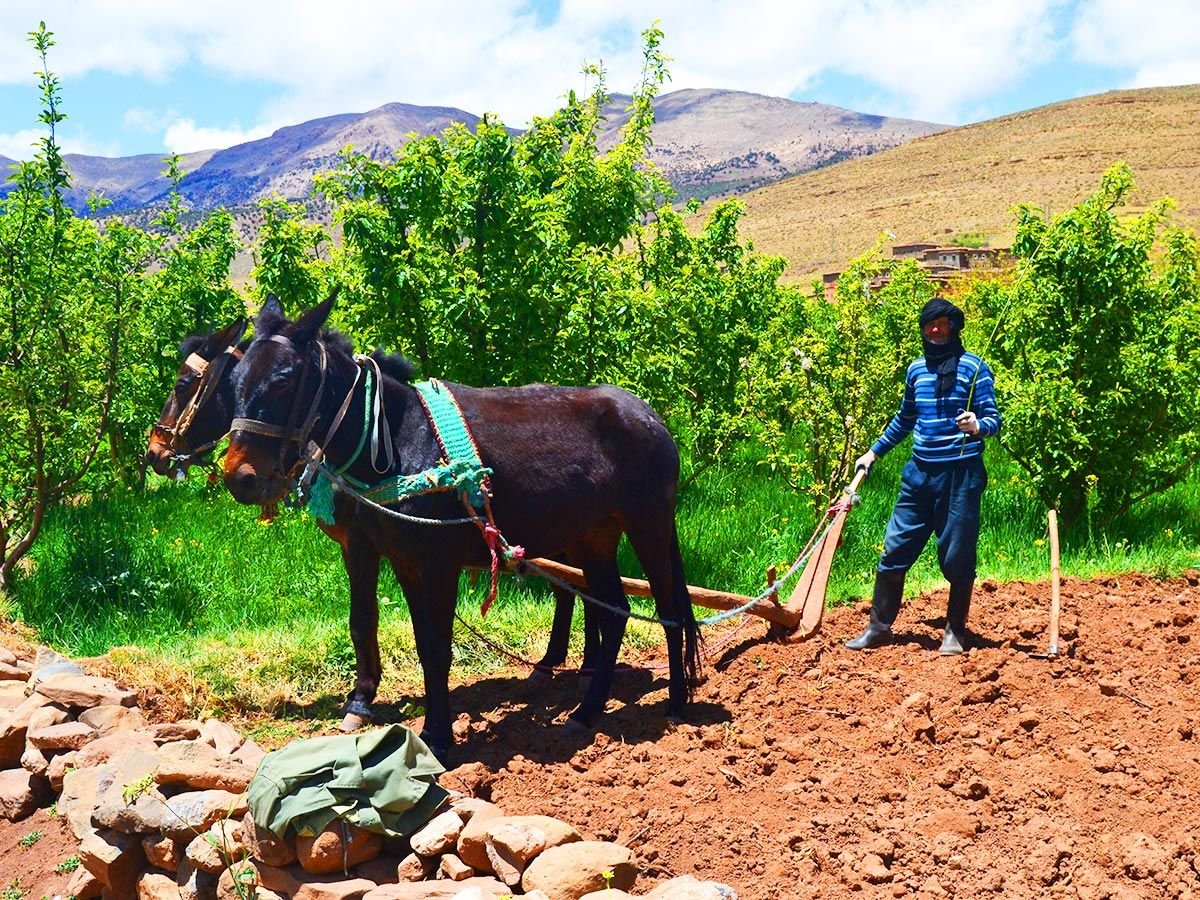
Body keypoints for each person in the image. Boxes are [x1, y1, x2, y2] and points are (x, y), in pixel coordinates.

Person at [846, 296, 1001, 655]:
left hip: (961, 478)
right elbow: (905, 418)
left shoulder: (975, 368)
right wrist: (873, 453)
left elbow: (994, 419)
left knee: (956, 556)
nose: (935, 330)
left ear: (954, 328)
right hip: (918, 475)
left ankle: (955, 633)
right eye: (929, 324)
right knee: (894, 551)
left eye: (942, 324)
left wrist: (978, 425)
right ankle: (878, 628)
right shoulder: (916, 370)